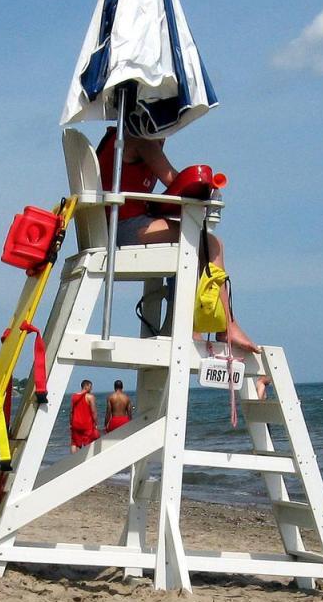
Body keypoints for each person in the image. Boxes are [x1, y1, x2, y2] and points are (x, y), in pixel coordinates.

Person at [97, 127, 260, 353]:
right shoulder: (141, 139)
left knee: (189, 244)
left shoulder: (117, 138)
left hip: (112, 227)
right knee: (212, 245)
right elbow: (173, 180)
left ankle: (181, 322)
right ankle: (225, 326)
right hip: (123, 228)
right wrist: (206, 187)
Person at [69, 379, 99, 451]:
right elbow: (93, 411)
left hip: (75, 423)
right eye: (90, 386)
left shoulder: (74, 396)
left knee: (75, 443)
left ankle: (75, 460)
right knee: (87, 444)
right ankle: (86, 460)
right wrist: (96, 423)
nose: (91, 388)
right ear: (86, 386)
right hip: (87, 424)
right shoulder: (90, 397)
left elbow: (71, 411)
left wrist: (71, 423)